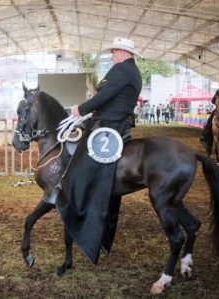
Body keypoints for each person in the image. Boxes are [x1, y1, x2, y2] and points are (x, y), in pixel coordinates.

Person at [55, 37, 142, 265]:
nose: (112, 54)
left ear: (124, 52)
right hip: (106, 119)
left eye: (114, 51)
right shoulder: (126, 69)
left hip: (109, 124)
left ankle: (80, 201)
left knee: (83, 163)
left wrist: (79, 110)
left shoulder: (122, 69)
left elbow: (104, 96)